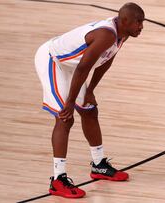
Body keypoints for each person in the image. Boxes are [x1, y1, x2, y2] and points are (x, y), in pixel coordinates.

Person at [34, 2, 145, 198]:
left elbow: (105, 60)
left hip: (72, 67)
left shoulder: (122, 34)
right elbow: (83, 68)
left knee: (90, 110)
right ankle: (58, 180)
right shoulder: (106, 35)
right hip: (53, 60)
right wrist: (69, 103)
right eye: (138, 22)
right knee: (65, 118)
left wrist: (91, 90)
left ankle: (99, 165)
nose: (141, 26)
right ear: (125, 20)